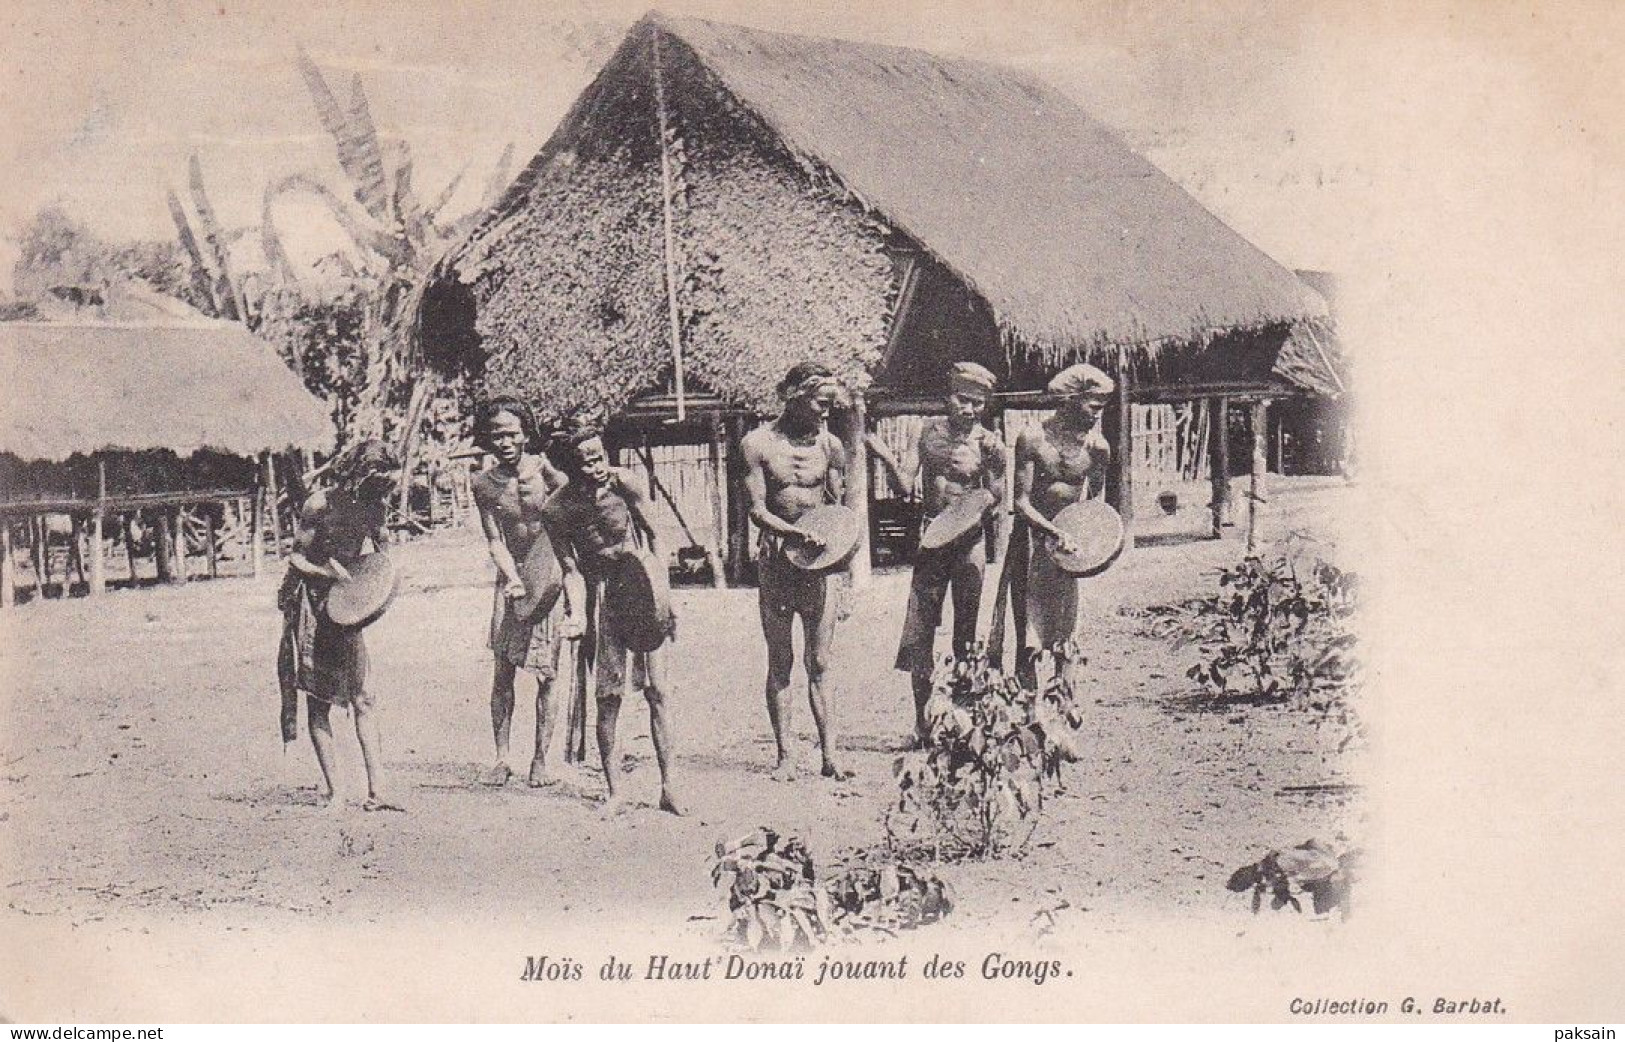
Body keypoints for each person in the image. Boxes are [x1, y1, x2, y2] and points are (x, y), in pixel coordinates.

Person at [541, 424, 682, 815]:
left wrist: (664, 598)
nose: (597, 467)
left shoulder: (627, 485)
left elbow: (658, 537)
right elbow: (570, 569)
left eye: (599, 457)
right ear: (570, 467)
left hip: (641, 582)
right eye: (586, 462)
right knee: (608, 697)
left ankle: (669, 787)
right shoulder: (556, 509)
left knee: (659, 691)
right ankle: (616, 791)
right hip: (602, 593)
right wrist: (576, 614)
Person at [276, 439, 404, 812]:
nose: (382, 493)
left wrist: (381, 579)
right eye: (376, 485)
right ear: (357, 477)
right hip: (313, 606)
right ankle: (336, 792)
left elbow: (381, 554)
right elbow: (296, 557)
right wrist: (325, 571)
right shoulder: (318, 504)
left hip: (347, 607)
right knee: (319, 701)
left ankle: (378, 791)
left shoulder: (375, 507)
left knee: (364, 697)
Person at [741, 362, 851, 780]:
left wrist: (841, 571)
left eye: (830, 405)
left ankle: (830, 756)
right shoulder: (757, 444)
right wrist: (793, 534)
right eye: (820, 403)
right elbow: (757, 510)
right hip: (776, 563)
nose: (826, 411)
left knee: (820, 661)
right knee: (781, 659)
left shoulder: (831, 447)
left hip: (819, 567)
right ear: (794, 396)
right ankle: (786, 756)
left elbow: (838, 513)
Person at [893, 362, 1006, 738]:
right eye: (962, 399)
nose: (969, 409)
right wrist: (892, 466)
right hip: (932, 541)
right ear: (948, 397)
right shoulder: (926, 433)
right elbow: (905, 479)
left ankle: (965, 722)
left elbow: (999, 492)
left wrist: (983, 495)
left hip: (970, 540)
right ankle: (923, 724)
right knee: (919, 632)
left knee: (967, 632)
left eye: (977, 402)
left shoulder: (989, 442)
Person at [470, 397, 576, 788]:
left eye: (512, 433)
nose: (505, 441)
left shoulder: (548, 474)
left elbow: (574, 511)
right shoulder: (482, 484)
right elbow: (494, 539)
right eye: (497, 434)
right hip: (510, 579)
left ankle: (540, 761)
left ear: (526, 434)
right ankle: (502, 758)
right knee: (503, 670)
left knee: (547, 674)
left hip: (548, 578)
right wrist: (511, 575)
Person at [1011, 363, 1116, 680]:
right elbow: (1020, 502)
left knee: (1066, 638)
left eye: (1102, 408)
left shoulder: (1097, 449)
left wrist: (1086, 545)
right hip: (1031, 546)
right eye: (1093, 406)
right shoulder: (1032, 439)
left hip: (1067, 552)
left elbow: (1093, 504)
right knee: (1028, 639)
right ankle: (1026, 716)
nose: (1097, 414)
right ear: (1071, 399)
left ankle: (1062, 712)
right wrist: (1052, 532)